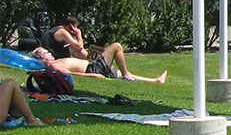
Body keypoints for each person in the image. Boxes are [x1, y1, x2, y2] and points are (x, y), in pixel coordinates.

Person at [31, 48, 167, 83]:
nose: (50, 53)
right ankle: (126, 74)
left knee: (120, 74)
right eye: (47, 52)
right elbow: (69, 74)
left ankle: (156, 80)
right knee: (116, 46)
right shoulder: (53, 66)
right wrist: (92, 75)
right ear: (43, 57)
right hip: (93, 69)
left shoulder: (56, 62)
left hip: (94, 66)